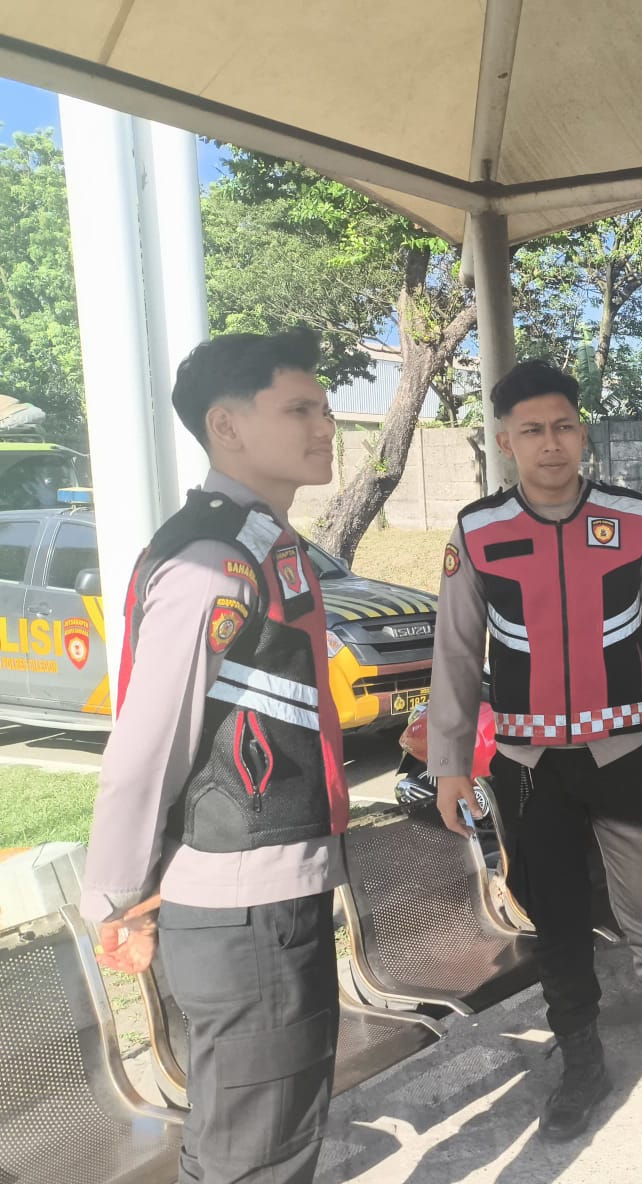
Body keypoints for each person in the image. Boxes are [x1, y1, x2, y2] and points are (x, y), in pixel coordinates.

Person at [426, 358, 642, 1158]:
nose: (551, 443)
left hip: (628, 754)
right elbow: (456, 653)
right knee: (558, 923)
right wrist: (449, 761)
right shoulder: (477, 531)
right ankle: (581, 1064)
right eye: (532, 430)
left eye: (564, 426)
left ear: (582, 432)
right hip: (527, 769)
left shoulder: (632, 520)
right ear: (505, 442)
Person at [81, 328, 348, 1184]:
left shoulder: (262, 544)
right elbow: (146, 745)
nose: (326, 426)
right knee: (257, 1154)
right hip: (243, 908)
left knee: (250, 1138)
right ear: (226, 427)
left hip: (271, 891)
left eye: (325, 408)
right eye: (299, 409)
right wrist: (116, 898)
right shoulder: (213, 563)